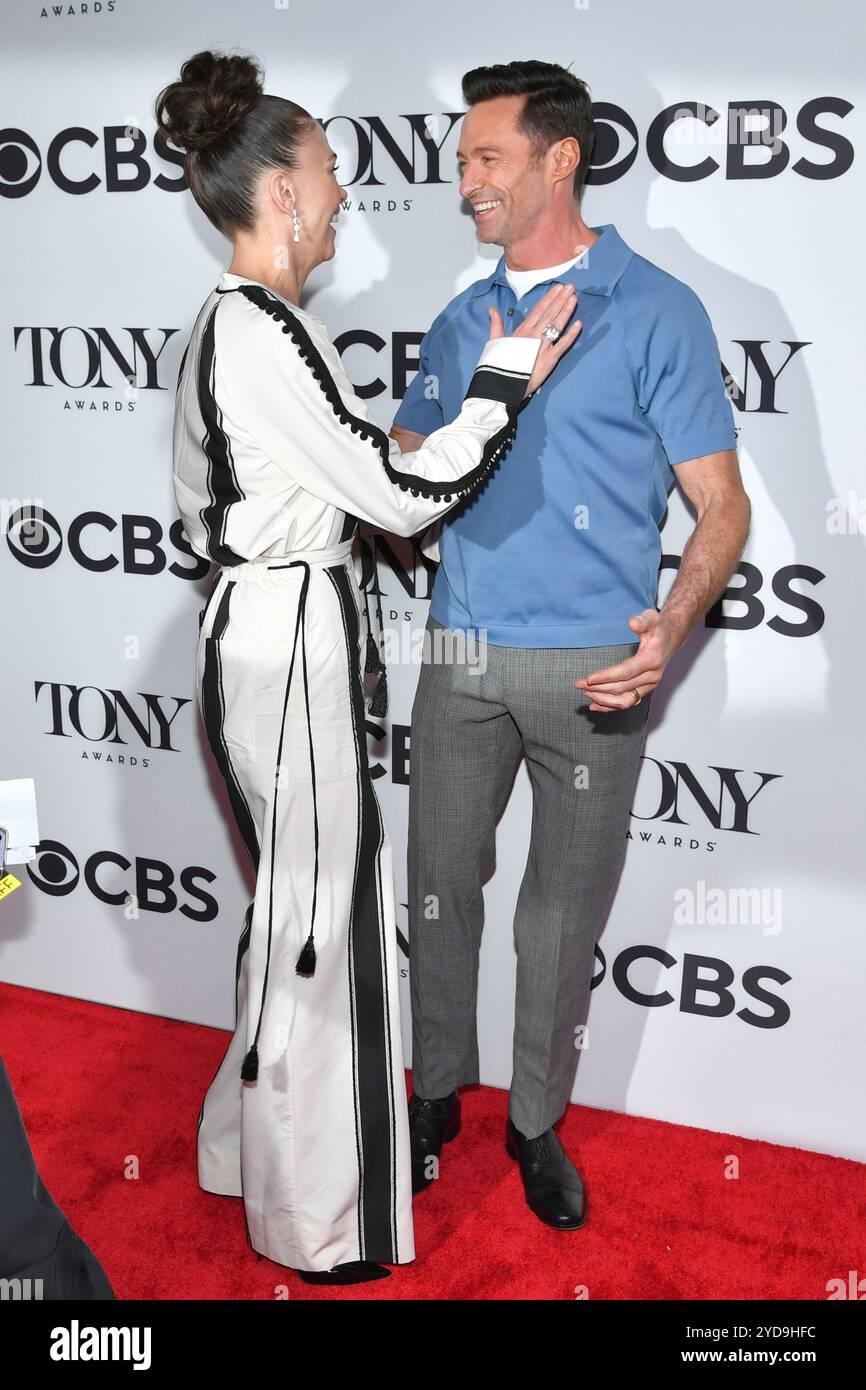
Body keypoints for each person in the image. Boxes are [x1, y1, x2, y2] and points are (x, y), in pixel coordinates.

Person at [154, 49, 579, 1283]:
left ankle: (247, 1157)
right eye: (330, 174)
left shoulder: (239, 327)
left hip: (270, 638)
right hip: (285, 652)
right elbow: (400, 485)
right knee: (319, 933)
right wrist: (502, 380)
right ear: (280, 193)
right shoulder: (255, 329)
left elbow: (244, 504)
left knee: (293, 915)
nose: (344, 196)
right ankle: (313, 1225)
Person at [391, 59, 751, 1230]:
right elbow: (402, 466)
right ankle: (434, 1095)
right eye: (458, 161)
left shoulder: (655, 309)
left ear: (561, 158)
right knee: (439, 890)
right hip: (458, 655)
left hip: (599, 667)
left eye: (484, 158)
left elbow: (721, 505)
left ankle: (534, 1120)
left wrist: (675, 616)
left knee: (559, 916)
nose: (463, 184)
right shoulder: (459, 316)